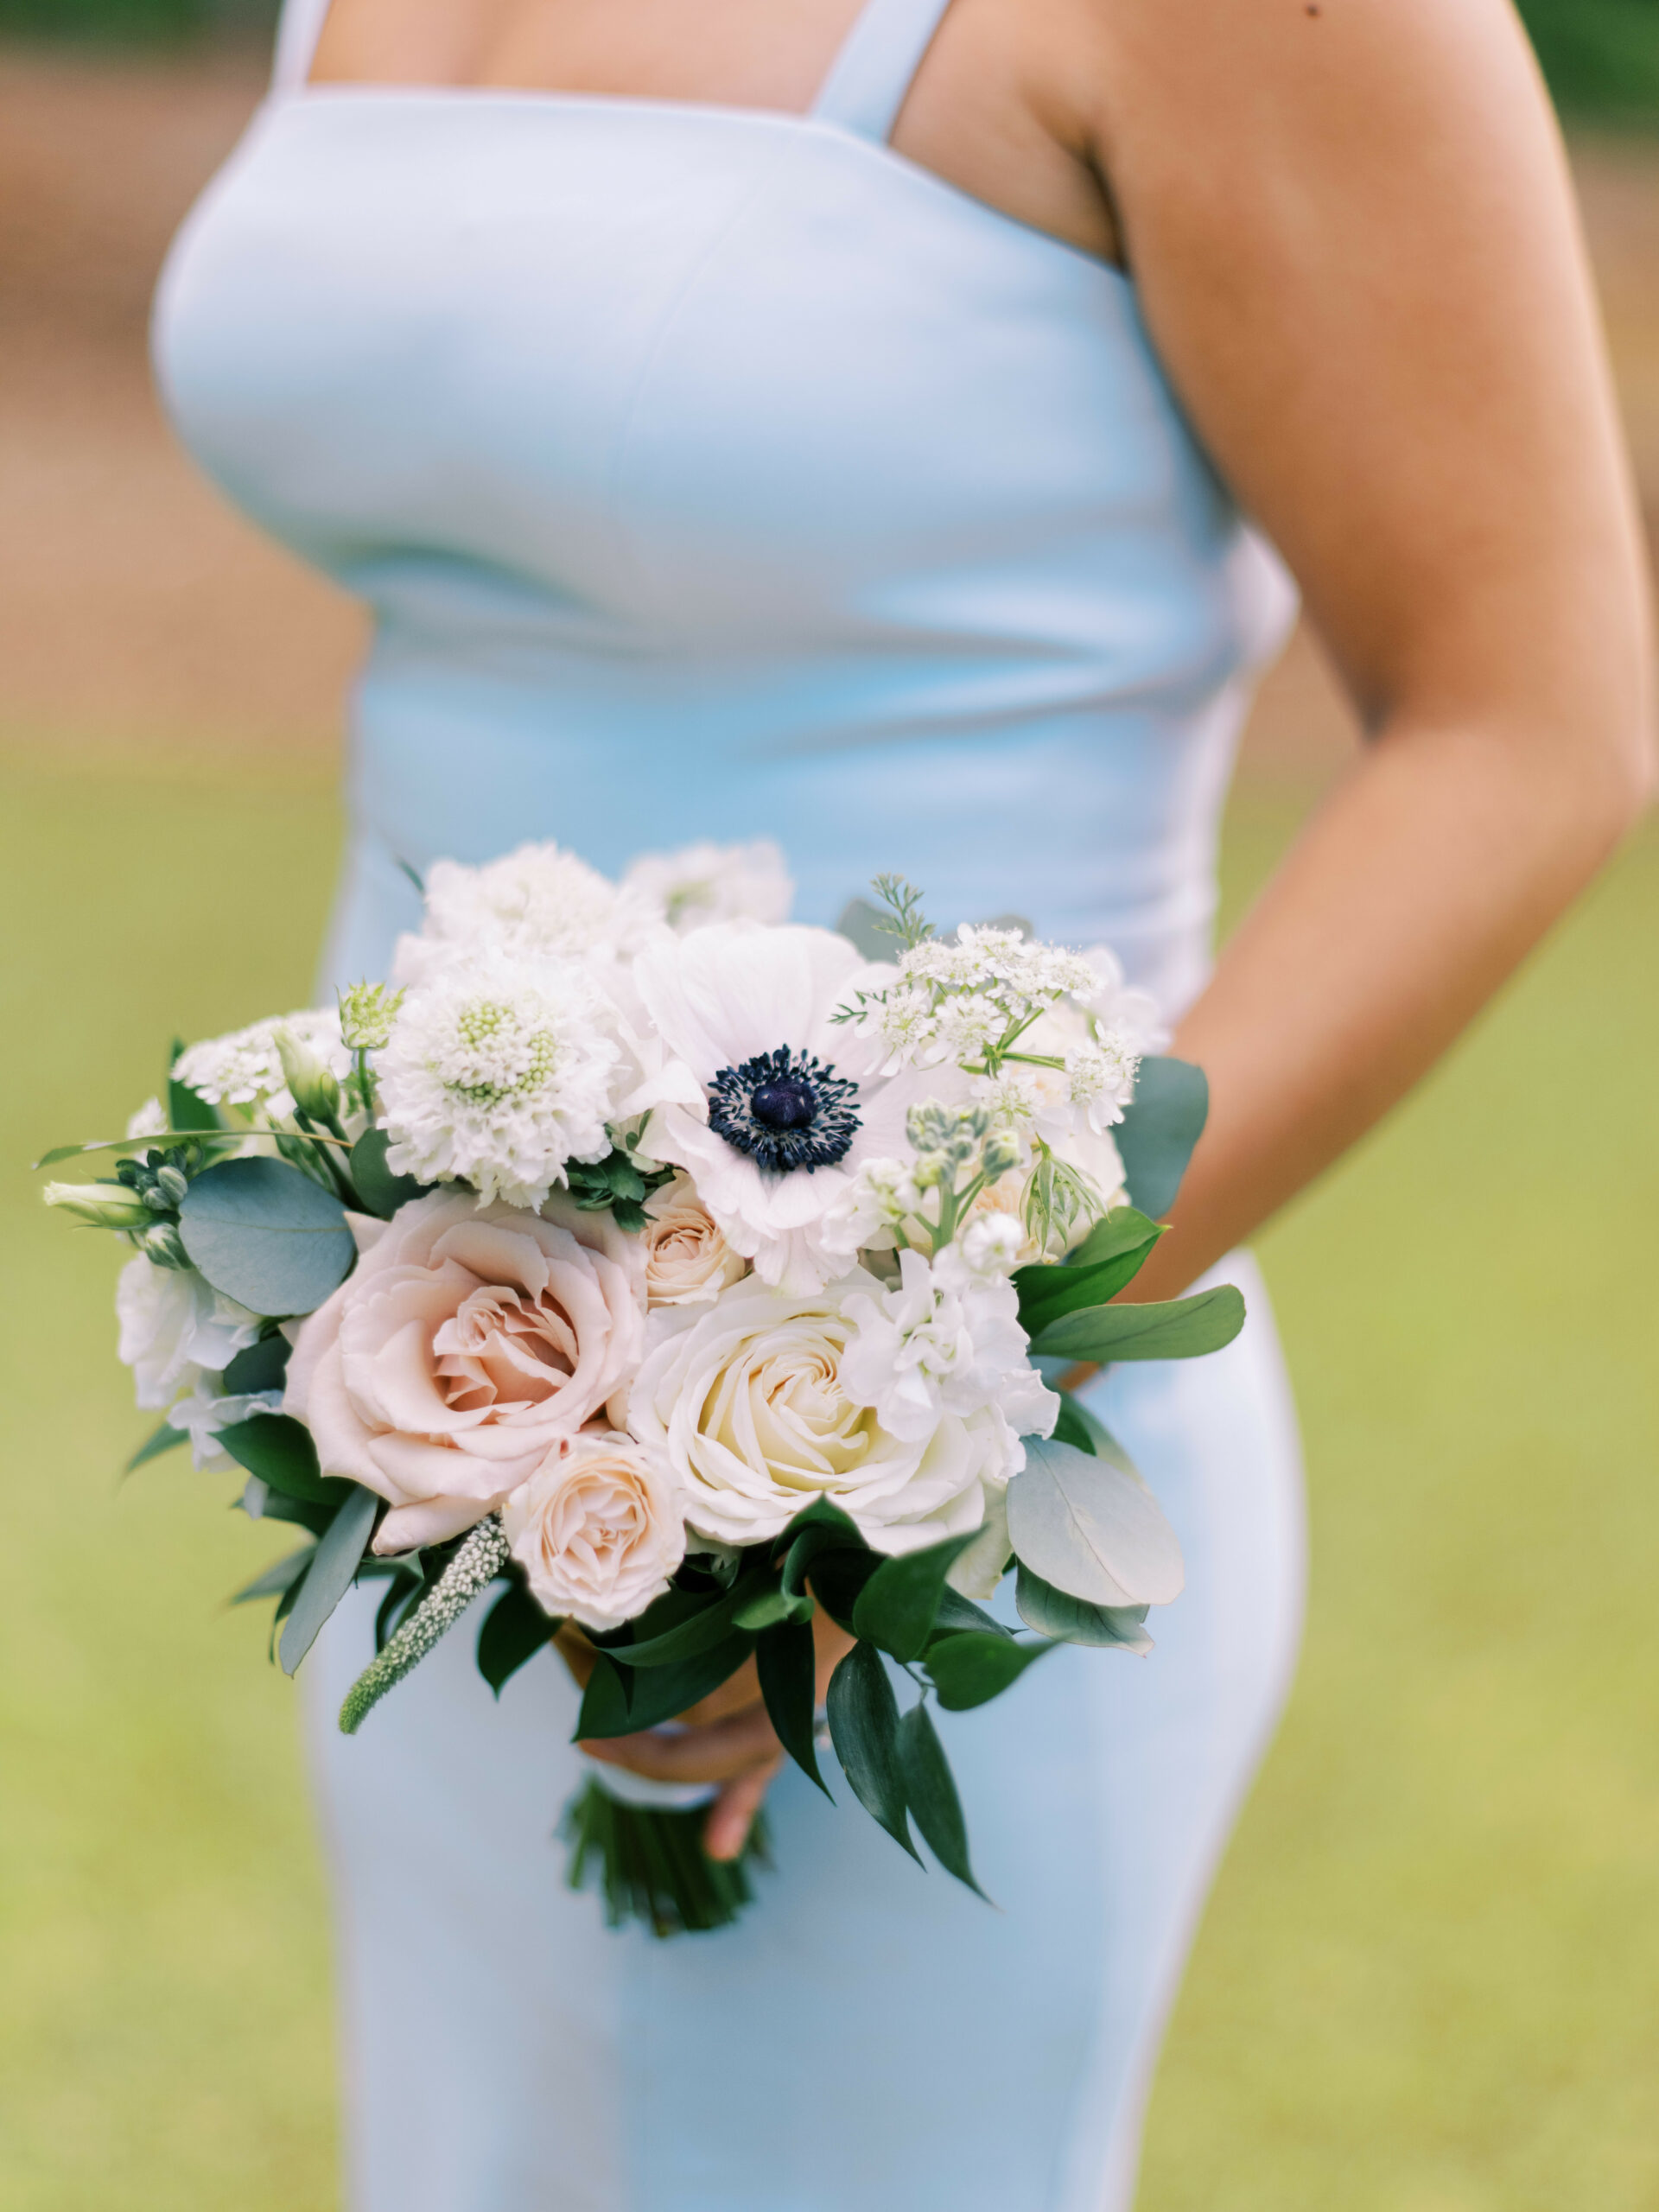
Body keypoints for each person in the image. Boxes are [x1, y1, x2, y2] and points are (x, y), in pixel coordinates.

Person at [150, 0, 1651, 2203]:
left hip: (917, 1519)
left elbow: (1532, 723)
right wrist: (439, 1371)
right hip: (438, 1432)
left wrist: (869, 1430)